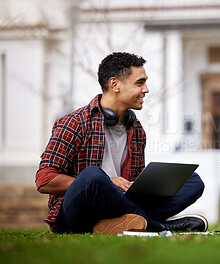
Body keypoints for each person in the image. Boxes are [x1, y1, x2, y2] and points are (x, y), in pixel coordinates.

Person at [36, 52, 208, 234]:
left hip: (120, 204)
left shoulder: (136, 129)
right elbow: (44, 180)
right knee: (92, 176)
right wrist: (107, 182)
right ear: (114, 84)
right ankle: (155, 225)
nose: (146, 89)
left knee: (192, 181)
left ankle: (125, 223)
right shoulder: (75, 122)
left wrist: (143, 183)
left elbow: (133, 181)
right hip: (79, 214)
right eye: (139, 83)